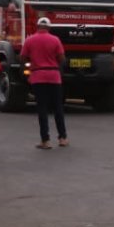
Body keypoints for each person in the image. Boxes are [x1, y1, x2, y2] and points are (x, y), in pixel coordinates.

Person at [21, 16, 68, 149]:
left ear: (37, 27)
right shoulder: (55, 40)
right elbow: (62, 59)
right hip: (54, 76)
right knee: (58, 107)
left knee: (42, 108)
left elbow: (23, 57)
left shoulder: (30, 40)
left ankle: (45, 140)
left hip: (38, 76)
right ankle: (62, 138)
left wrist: (32, 63)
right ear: (49, 27)